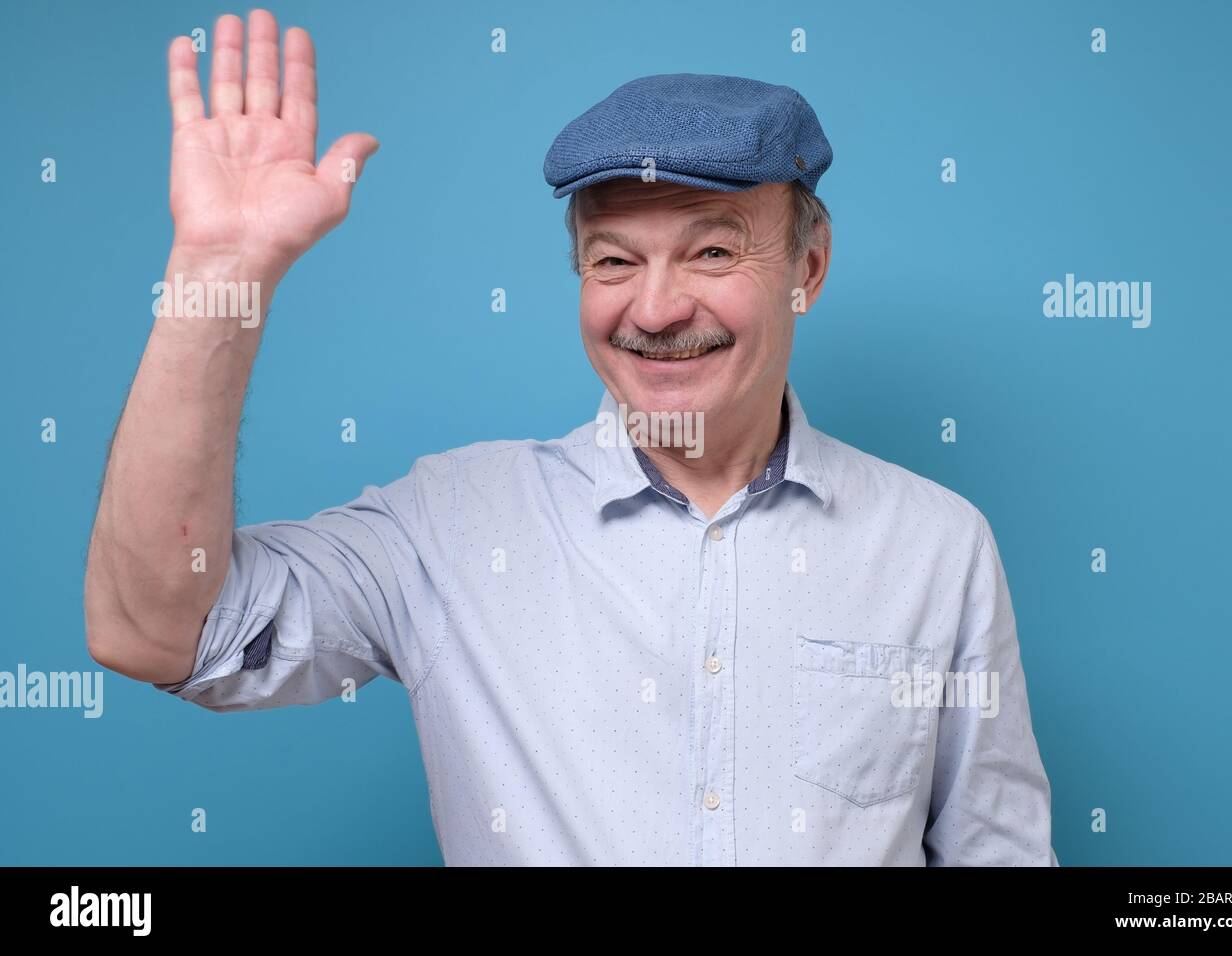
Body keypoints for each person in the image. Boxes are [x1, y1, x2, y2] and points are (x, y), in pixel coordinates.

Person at [85, 8, 1057, 866]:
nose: (658, 305)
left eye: (713, 249)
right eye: (613, 259)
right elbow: (156, 630)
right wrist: (221, 270)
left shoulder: (937, 544)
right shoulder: (448, 525)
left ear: (808, 263)